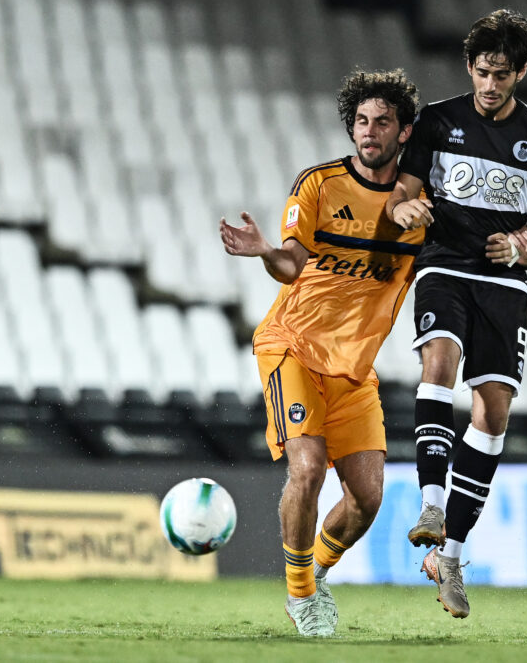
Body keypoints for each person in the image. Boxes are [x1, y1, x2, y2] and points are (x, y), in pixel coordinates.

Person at [219, 69, 421, 637]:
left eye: (382, 121)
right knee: (306, 468)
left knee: (368, 499)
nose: (368, 131)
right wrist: (263, 251)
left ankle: (316, 571)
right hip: (294, 348)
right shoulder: (319, 185)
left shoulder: (420, 206)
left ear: (405, 132)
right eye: (360, 121)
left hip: (354, 371)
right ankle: (301, 594)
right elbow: (290, 262)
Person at [384, 9, 527, 619]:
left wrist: (525, 243)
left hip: (504, 284)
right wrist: (404, 210)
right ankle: (431, 504)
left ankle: (451, 558)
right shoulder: (439, 121)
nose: (490, 86)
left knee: (493, 410)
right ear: (470, 68)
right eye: (482, 73)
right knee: (439, 363)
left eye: (502, 75)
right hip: (444, 264)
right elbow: (403, 193)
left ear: (521, 73)